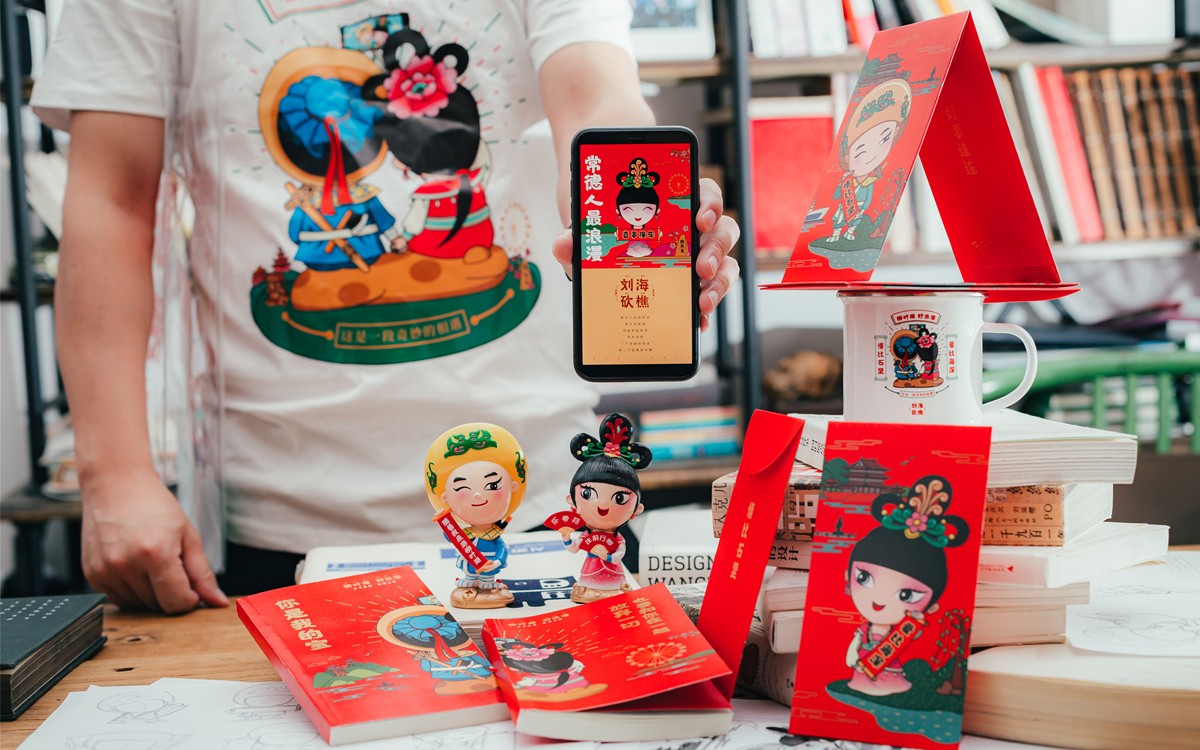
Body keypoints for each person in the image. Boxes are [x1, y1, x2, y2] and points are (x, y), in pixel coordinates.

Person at [32, 1, 741, 614]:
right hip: (275, 522)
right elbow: (113, 201)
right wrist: (113, 477)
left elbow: (595, 100)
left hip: (545, 503)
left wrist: (641, 197)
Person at [843, 475, 967, 697]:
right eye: (864, 578)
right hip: (864, 667)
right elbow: (857, 642)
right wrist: (853, 653)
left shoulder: (904, 629)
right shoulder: (865, 630)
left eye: (907, 595)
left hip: (888, 669)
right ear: (848, 576)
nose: (879, 600)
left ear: (931, 606)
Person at [423, 422, 527, 609]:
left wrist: (497, 561)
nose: (478, 495)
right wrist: (445, 522)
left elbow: (501, 549)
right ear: (446, 497)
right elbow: (452, 537)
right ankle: (470, 583)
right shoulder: (465, 534)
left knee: (487, 579)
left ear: (512, 487)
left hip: (489, 565)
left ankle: (487, 586)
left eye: (492, 486)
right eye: (463, 488)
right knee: (470, 575)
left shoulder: (495, 534)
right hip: (470, 565)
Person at [553, 413, 651, 603]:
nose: (603, 505)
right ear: (572, 501)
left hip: (613, 574)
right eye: (588, 494)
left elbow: (619, 555)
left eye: (620, 498)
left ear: (637, 509)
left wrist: (607, 556)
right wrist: (566, 537)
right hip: (589, 573)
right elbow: (573, 549)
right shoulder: (586, 535)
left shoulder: (618, 539)